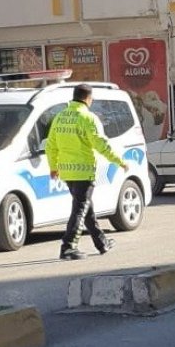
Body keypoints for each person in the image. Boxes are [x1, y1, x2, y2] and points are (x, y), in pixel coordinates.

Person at [47, 84, 129, 261]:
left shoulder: (60, 117)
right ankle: (68, 247)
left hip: (67, 172)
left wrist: (53, 167)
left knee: (85, 208)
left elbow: (50, 145)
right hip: (83, 171)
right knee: (80, 209)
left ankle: (101, 243)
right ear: (88, 99)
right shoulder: (88, 117)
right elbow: (100, 143)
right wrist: (119, 161)